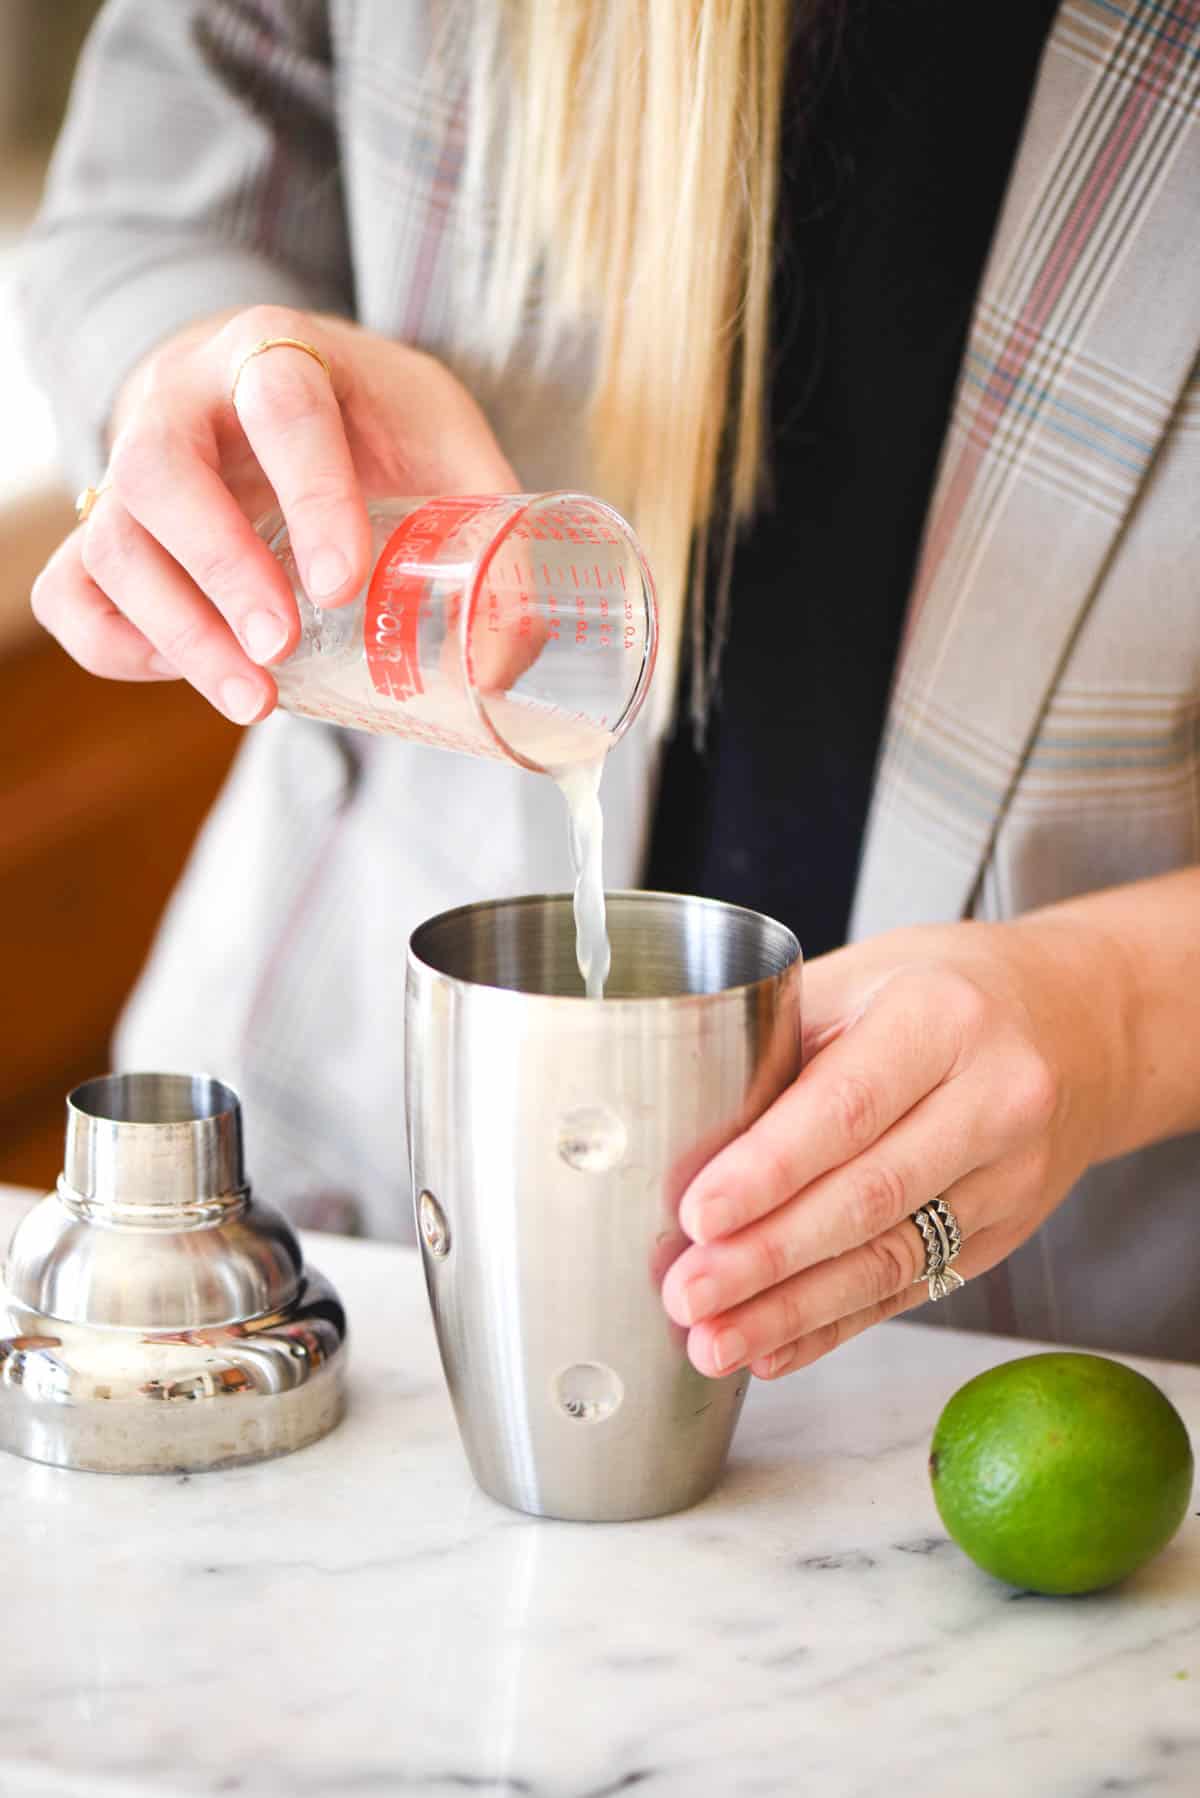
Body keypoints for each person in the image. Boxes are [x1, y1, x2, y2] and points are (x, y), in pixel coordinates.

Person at [19, 0, 1200, 1374]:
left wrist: (1117, 1010)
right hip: (338, 1191)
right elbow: (136, 202)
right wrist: (203, 368)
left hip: (1049, 1342)